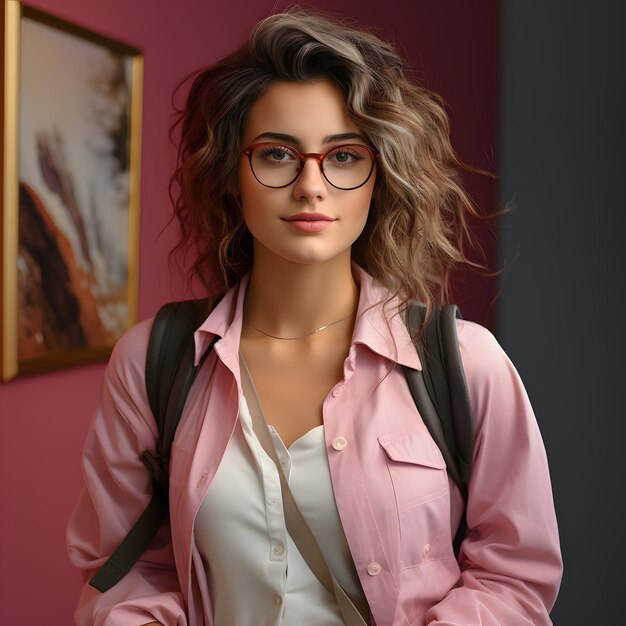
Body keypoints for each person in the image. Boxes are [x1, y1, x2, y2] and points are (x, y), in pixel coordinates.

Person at [67, 9, 562, 626]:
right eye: (276, 154)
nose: (310, 185)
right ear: (232, 176)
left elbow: (514, 577)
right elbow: (121, 566)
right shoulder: (154, 362)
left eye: (345, 156)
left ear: (378, 177)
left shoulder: (465, 363)